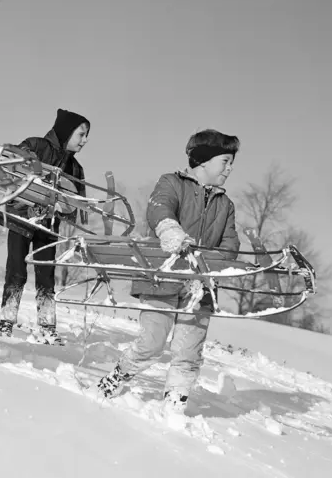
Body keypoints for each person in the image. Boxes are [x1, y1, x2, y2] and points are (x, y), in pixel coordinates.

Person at [97, 129, 241, 413]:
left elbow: (230, 244)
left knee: (188, 351)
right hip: (160, 278)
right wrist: (169, 228)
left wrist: (213, 263)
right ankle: (116, 377)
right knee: (151, 343)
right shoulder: (172, 183)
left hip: (199, 288)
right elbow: (158, 208)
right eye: (225, 160)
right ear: (203, 160)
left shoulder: (226, 205)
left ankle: (174, 404)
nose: (230, 167)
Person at [0, 109, 91, 345]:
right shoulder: (36, 146)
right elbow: (14, 167)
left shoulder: (75, 169)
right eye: (81, 134)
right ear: (67, 132)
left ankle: (47, 326)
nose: (84, 140)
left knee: (46, 274)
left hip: (49, 225)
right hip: (22, 217)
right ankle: (6, 322)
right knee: (16, 269)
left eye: (86, 136)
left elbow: (74, 207)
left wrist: (70, 207)